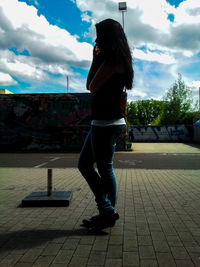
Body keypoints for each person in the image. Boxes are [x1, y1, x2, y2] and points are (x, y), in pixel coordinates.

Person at [78, 18, 133, 233]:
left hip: (106, 123)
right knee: (87, 165)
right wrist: (94, 58)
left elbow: (92, 87)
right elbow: (89, 85)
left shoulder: (113, 61)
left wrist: (96, 59)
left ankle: (107, 211)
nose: (96, 39)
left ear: (107, 37)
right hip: (103, 122)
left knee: (102, 168)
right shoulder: (112, 58)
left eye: (99, 35)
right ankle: (106, 211)